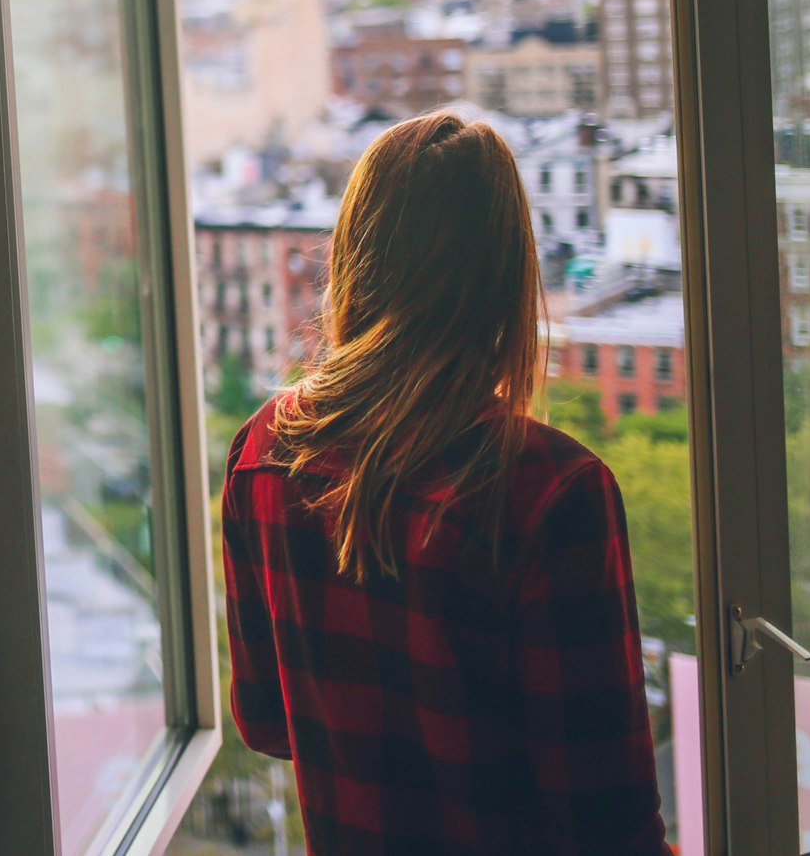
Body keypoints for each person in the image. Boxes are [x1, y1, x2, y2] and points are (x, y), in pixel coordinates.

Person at [222, 112, 673, 855]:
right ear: (505, 272)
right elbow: (605, 818)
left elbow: (266, 723)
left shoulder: (266, 447)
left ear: (355, 259)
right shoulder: (550, 491)